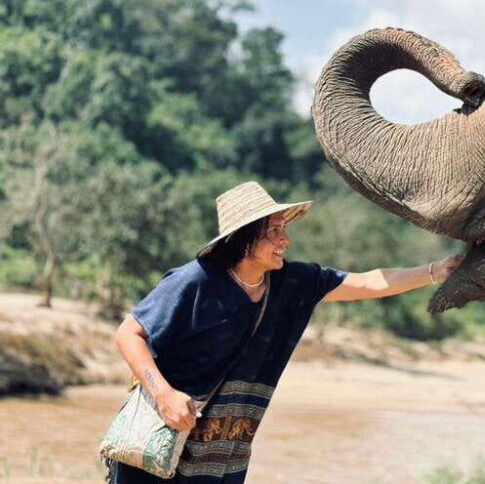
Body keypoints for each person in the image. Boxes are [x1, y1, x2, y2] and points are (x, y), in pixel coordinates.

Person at [110, 181, 462, 483]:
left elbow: (368, 282)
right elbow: (129, 333)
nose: (286, 241)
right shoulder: (195, 281)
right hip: (159, 452)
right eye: (275, 231)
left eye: (284, 229)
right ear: (244, 237)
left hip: (223, 461)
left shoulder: (294, 283)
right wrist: (164, 394)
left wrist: (437, 270)